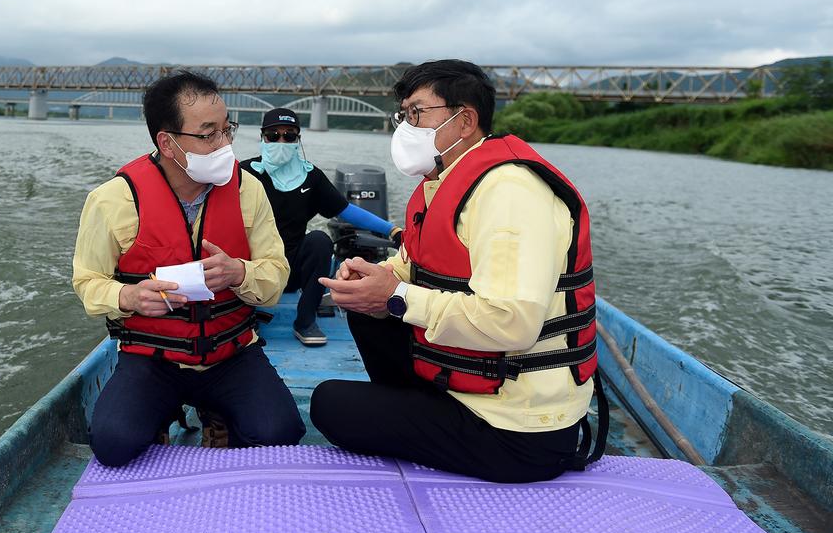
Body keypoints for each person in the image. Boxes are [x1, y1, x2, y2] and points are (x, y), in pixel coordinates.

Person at [312, 59, 606, 483]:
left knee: (330, 404)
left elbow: (513, 324)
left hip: (521, 430)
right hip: (472, 388)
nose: (405, 127)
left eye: (417, 114)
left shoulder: (509, 193)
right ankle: (420, 406)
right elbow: (415, 266)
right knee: (367, 307)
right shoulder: (447, 182)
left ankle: (422, 416)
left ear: (465, 119)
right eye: (404, 115)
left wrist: (395, 297)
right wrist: (374, 278)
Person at [72, 71, 305, 467]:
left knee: (278, 434)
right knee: (113, 444)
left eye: (227, 129)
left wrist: (240, 273)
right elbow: (87, 281)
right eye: (208, 133)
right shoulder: (112, 200)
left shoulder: (248, 189)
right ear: (168, 142)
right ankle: (161, 411)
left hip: (230, 353)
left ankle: (218, 413)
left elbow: (275, 273)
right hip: (153, 358)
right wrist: (127, 296)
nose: (225, 143)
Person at [240, 109, 400, 346]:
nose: (281, 141)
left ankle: (305, 321)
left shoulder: (311, 176)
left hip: (290, 269)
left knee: (319, 239)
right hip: (253, 267)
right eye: (273, 136)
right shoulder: (244, 172)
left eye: (289, 136)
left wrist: (392, 230)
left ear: (298, 140)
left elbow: (345, 210)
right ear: (263, 137)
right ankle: (242, 318)